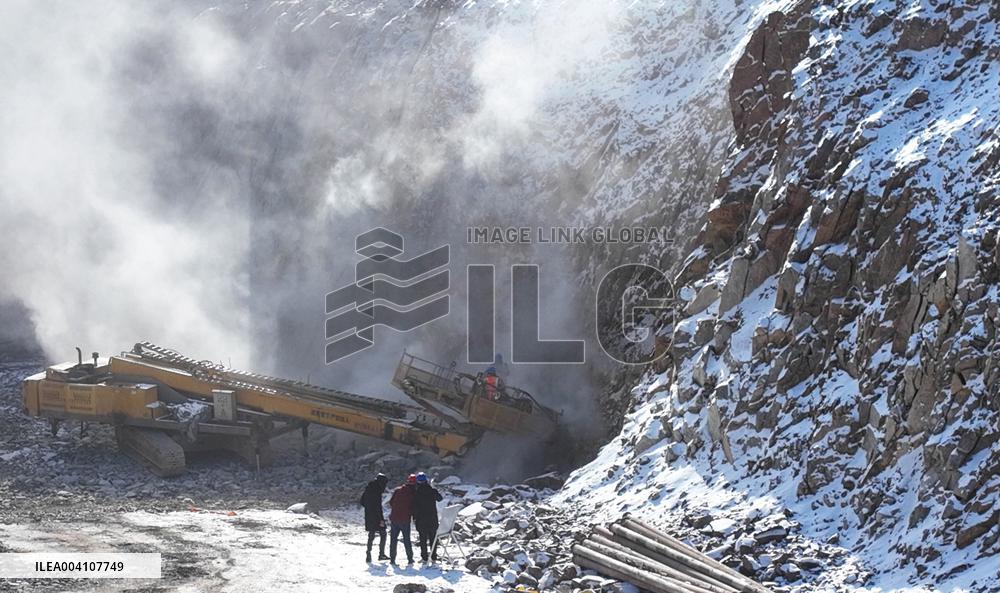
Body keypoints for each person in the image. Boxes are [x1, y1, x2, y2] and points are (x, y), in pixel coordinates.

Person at [411, 472, 443, 562]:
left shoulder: (416, 493)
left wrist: (414, 518)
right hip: (432, 519)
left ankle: (424, 557)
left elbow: (414, 507)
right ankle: (433, 556)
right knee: (433, 538)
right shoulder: (432, 491)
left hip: (421, 520)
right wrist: (434, 488)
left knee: (423, 539)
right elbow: (440, 499)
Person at [359, 472, 389, 563]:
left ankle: (368, 554)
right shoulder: (377, 490)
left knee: (371, 535)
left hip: (369, 515)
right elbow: (378, 507)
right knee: (383, 533)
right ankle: (381, 554)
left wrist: (368, 508)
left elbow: (362, 501)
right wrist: (381, 519)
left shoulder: (368, 488)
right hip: (376, 516)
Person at [388, 473, 417, 564]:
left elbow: (391, 502)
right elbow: (414, 507)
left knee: (393, 539)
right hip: (405, 519)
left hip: (394, 518)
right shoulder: (412, 493)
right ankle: (410, 558)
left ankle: (392, 559)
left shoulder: (397, 490)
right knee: (406, 540)